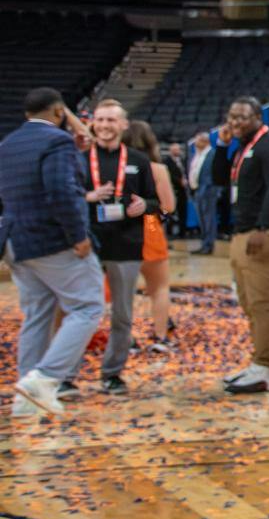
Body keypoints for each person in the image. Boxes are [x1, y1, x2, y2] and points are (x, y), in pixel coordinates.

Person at [0, 88, 101, 416]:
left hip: (16, 241)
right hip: (51, 239)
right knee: (88, 306)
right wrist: (78, 234)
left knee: (38, 314)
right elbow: (60, 190)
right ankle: (45, 378)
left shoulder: (8, 144)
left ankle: (26, 398)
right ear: (59, 112)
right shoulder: (57, 142)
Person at [80, 98, 159, 394]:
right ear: (93, 124)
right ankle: (66, 375)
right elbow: (68, 198)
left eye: (111, 120)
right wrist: (89, 197)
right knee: (82, 311)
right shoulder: (80, 158)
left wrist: (144, 206)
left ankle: (112, 374)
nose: (104, 126)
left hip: (127, 244)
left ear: (124, 125)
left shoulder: (138, 160)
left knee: (122, 314)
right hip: (87, 244)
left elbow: (155, 202)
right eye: (100, 120)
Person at [218, 96, 269, 394]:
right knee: (248, 302)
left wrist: (262, 228)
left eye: (242, 117)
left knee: (261, 303)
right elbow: (218, 179)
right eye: (232, 116)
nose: (235, 122)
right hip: (242, 231)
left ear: (257, 118)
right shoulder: (243, 148)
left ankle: (266, 366)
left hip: (263, 233)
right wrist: (222, 148)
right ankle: (257, 362)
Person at [124, 119, 178, 351]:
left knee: (123, 291)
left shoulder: (113, 165)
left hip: (120, 230)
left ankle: (126, 340)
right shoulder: (157, 168)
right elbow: (169, 206)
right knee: (159, 287)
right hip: (150, 227)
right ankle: (160, 338)